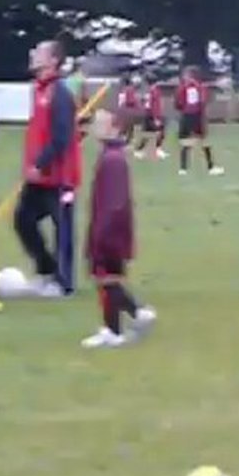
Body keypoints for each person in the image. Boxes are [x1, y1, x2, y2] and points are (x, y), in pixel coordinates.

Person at [82, 110, 156, 348]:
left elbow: (114, 203)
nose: (95, 127)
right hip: (111, 231)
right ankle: (116, 326)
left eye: (100, 123)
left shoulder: (112, 159)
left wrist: (101, 234)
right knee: (106, 280)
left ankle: (131, 317)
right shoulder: (111, 155)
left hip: (110, 233)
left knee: (107, 280)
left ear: (115, 128)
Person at [16, 40, 79, 298]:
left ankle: (64, 284)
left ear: (53, 60)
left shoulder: (60, 93)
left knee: (62, 228)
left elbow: (61, 138)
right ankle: (46, 271)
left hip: (59, 177)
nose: (33, 54)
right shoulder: (38, 90)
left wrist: (40, 164)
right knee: (23, 221)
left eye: (39, 52)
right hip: (37, 177)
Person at [175, 66, 223, 176]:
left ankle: (183, 168)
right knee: (203, 141)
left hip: (186, 116)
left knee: (185, 142)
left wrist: (183, 110)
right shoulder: (199, 87)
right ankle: (211, 167)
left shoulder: (182, 87)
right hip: (197, 115)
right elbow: (203, 101)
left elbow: (178, 103)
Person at [134, 75, 167, 160]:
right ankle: (157, 150)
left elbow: (145, 101)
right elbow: (154, 105)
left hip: (148, 114)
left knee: (148, 133)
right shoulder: (155, 91)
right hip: (152, 115)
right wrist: (156, 117)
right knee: (160, 131)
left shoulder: (149, 91)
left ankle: (140, 150)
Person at [117, 75, 140, 145]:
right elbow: (130, 101)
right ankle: (123, 140)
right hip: (127, 110)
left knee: (128, 127)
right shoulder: (130, 90)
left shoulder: (125, 90)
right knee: (126, 127)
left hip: (125, 110)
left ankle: (127, 139)